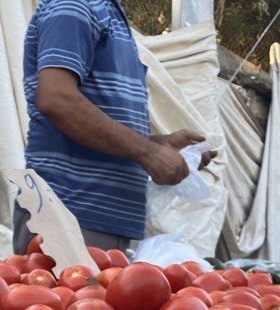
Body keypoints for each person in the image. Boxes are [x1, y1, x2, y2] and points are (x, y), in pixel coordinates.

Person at [15, 0, 215, 254]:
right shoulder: (75, 5)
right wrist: (148, 153)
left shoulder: (110, 15)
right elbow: (57, 99)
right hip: (71, 214)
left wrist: (158, 144)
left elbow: (97, 123)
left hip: (100, 221)